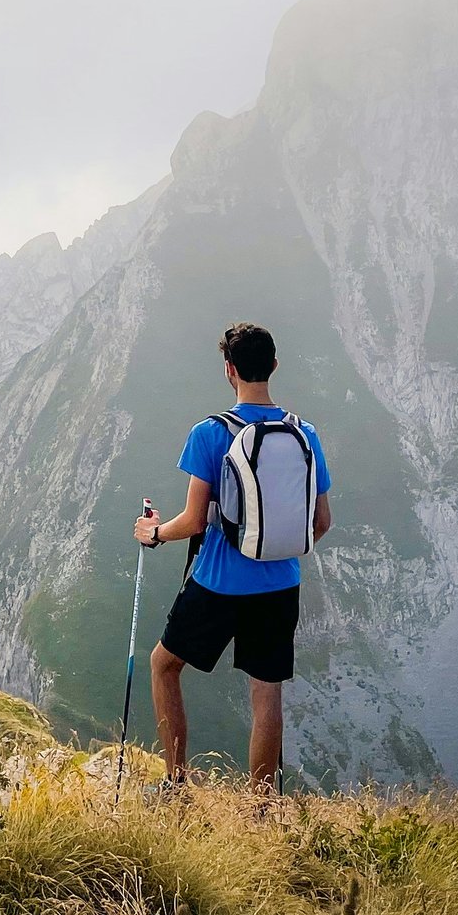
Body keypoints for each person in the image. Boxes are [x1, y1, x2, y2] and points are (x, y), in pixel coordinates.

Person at [131, 322, 333, 792]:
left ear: (229, 370)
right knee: (266, 695)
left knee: (164, 665)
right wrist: (277, 548)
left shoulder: (210, 433)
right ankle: (262, 807)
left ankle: (176, 784)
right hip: (281, 583)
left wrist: (154, 533)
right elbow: (322, 522)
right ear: (275, 367)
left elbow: (194, 521)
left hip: (218, 582)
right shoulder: (305, 433)